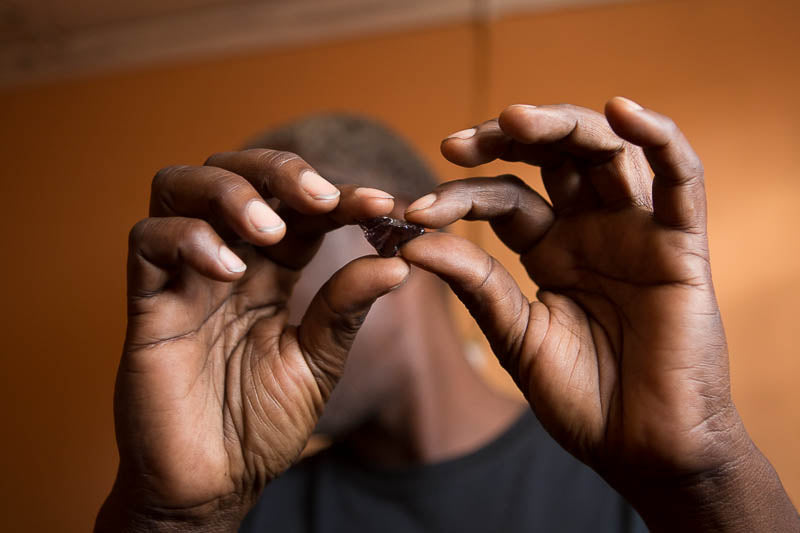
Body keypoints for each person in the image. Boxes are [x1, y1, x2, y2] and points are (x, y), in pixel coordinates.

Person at [95, 98, 800, 532]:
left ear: (398, 234)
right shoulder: (242, 513)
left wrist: (702, 479)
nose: (237, 313)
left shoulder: (633, 486)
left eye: (280, 253)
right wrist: (171, 518)